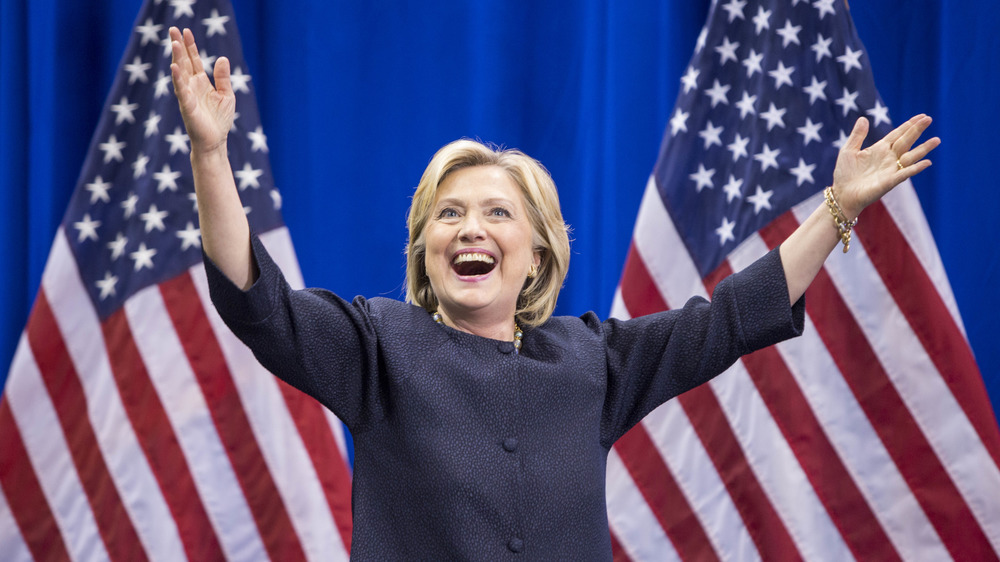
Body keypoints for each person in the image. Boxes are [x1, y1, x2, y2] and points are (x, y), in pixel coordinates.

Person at [169, 24, 939, 560]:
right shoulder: (376, 344)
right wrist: (211, 153)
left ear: (537, 253)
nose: (470, 229)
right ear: (424, 249)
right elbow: (254, 298)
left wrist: (837, 209)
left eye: (496, 213)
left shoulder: (592, 360)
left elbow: (730, 320)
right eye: (449, 214)